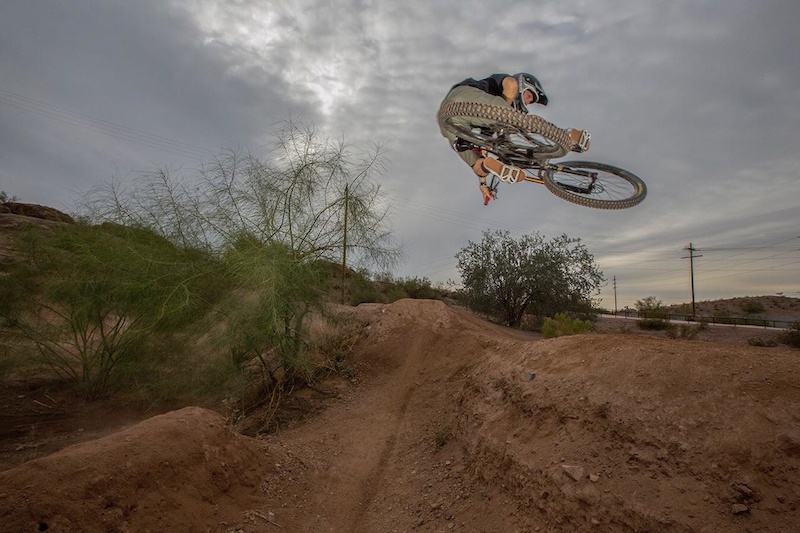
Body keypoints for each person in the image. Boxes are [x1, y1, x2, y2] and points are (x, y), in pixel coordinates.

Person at [438, 73, 588, 204]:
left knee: (479, 167)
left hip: (449, 120)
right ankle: (567, 134)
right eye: (529, 96)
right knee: (521, 121)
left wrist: (483, 184)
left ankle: (490, 166)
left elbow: (483, 151)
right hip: (465, 95)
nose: (528, 103)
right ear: (524, 85)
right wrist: (515, 114)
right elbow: (511, 84)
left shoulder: (489, 122)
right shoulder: (499, 84)